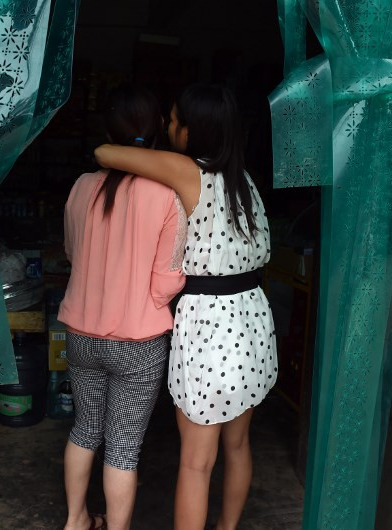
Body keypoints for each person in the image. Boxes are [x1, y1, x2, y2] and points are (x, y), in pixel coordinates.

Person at [95, 83, 276, 530]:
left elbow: (105, 154)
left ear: (193, 132)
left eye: (174, 121)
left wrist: (138, 139)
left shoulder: (186, 171)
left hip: (211, 333)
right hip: (252, 323)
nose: (169, 126)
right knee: (237, 448)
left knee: (196, 465)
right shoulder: (245, 182)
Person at [58, 85, 186, 530]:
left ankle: (76, 521)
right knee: (123, 448)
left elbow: (73, 255)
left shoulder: (80, 187)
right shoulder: (166, 195)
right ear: (157, 136)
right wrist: (140, 303)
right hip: (138, 342)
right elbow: (168, 280)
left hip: (81, 335)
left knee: (84, 430)